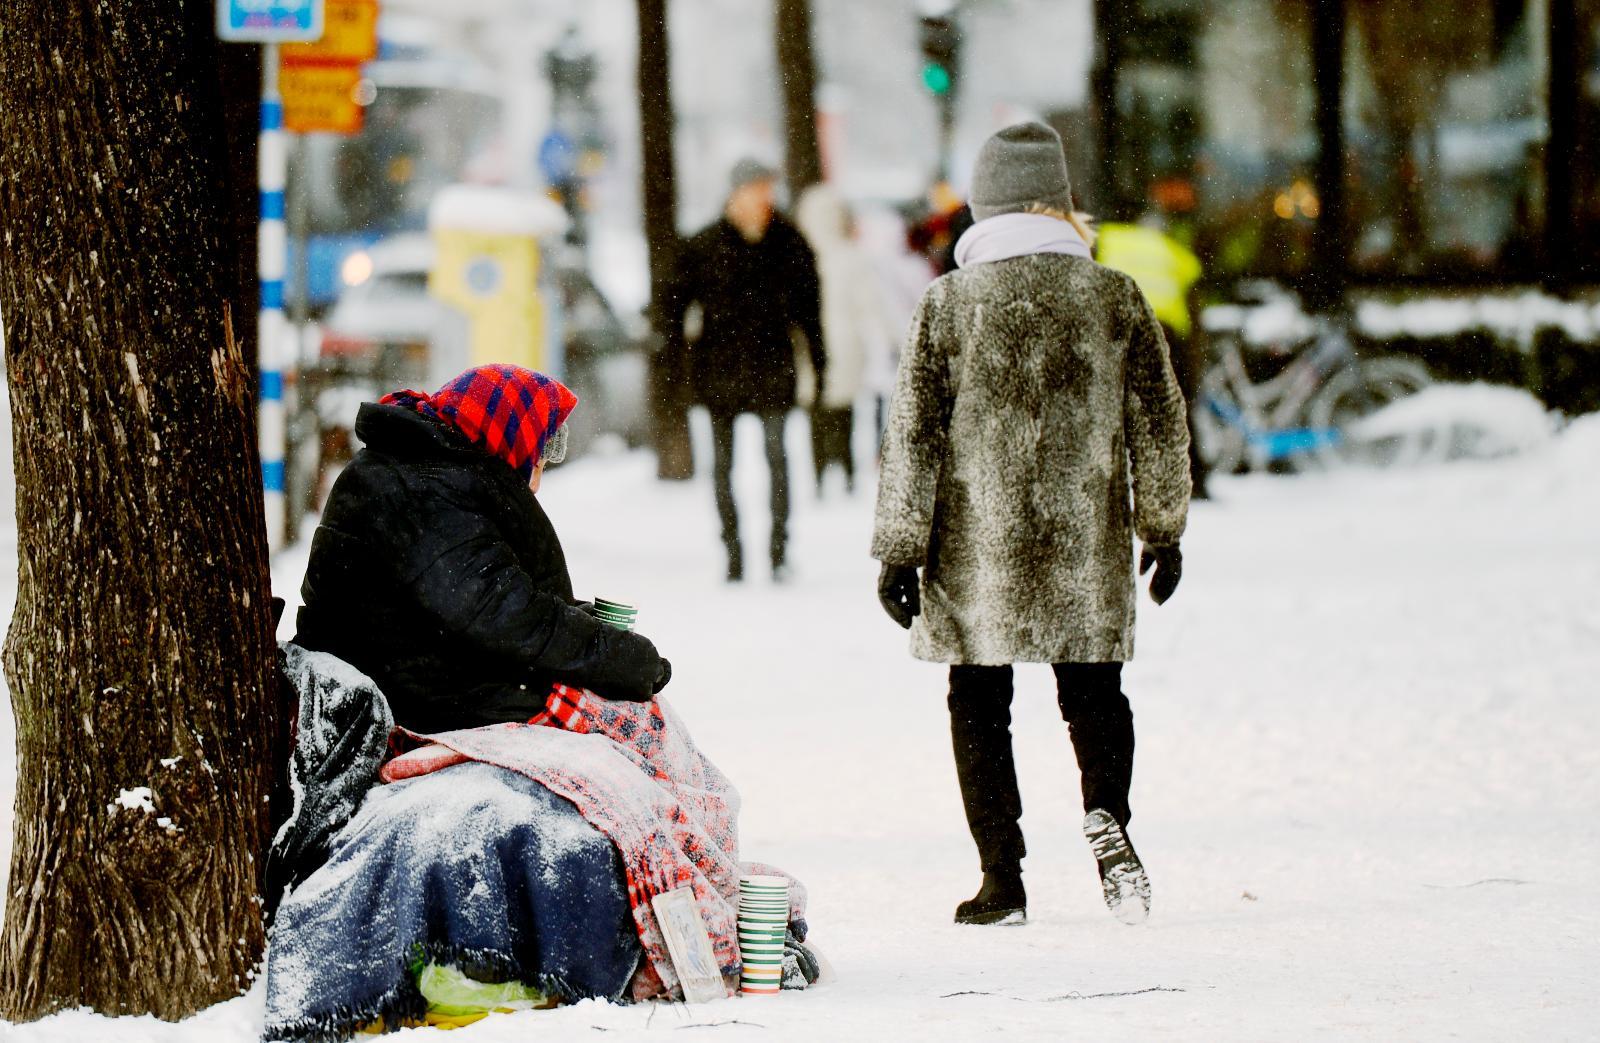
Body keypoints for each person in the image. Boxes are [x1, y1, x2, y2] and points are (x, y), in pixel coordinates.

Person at [871, 123, 1191, 928]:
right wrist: (1163, 527)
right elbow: (1160, 418)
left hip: (977, 545)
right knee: (1093, 690)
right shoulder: (1112, 295)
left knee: (978, 698)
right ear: (1061, 203)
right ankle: (1108, 816)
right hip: (1084, 536)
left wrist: (899, 549)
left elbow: (912, 431)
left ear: (985, 204)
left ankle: (1000, 876)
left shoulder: (948, 303)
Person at [293, 363, 672, 734]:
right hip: (405, 697)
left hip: (417, 677)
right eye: (536, 459)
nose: (536, 482)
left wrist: (591, 627)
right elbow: (509, 616)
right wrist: (624, 658)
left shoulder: (426, 471)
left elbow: (497, 599)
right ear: (505, 436)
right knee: (629, 727)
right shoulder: (423, 488)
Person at [666, 159, 825, 582]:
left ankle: (778, 553)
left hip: (772, 367)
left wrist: (819, 365)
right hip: (719, 370)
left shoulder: (789, 243)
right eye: (756, 189)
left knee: (778, 457)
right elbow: (672, 309)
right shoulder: (705, 245)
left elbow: (810, 312)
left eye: (769, 189)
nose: (764, 199)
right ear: (735, 193)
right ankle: (733, 553)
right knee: (722, 466)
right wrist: (677, 369)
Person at [794, 184, 899, 495]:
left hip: (810, 345)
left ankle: (819, 470)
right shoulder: (851, 258)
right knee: (845, 412)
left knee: (818, 411)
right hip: (847, 343)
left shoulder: (799, 257)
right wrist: (893, 337)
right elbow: (872, 305)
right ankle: (847, 469)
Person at [1096, 213, 1209, 497]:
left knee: (1113, 408)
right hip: (1167, 331)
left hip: (1124, 330)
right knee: (1176, 408)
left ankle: (1110, 481)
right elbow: (1194, 271)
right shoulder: (1165, 245)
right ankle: (1194, 479)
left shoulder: (1107, 237)